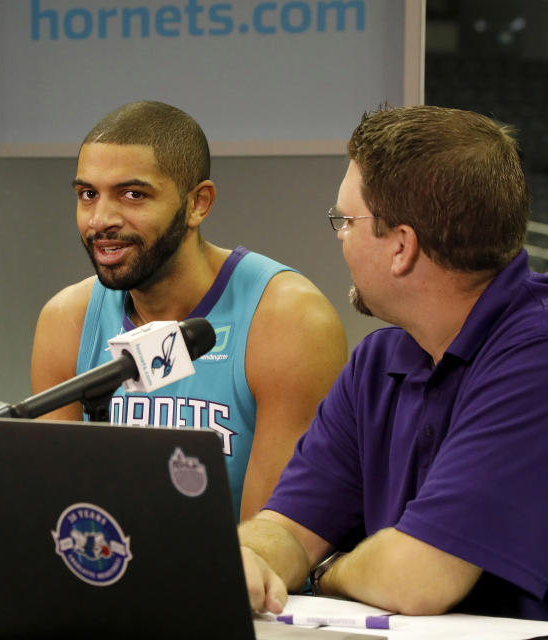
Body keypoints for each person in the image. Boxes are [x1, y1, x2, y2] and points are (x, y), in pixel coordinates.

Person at [240, 105, 548, 620]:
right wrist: (250, 558)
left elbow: (418, 578)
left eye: (345, 221)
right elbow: (288, 528)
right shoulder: (379, 363)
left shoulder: (536, 352)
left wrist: (324, 570)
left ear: (401, 247)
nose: (339, 236)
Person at [30, 101, 347, 520]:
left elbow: (272, 543)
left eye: (132, 194)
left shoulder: (290, 319)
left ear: (198, 203)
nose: (100, 220)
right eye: (88, 194)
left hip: (235, 580)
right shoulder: (66, 319)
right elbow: (55, 510)